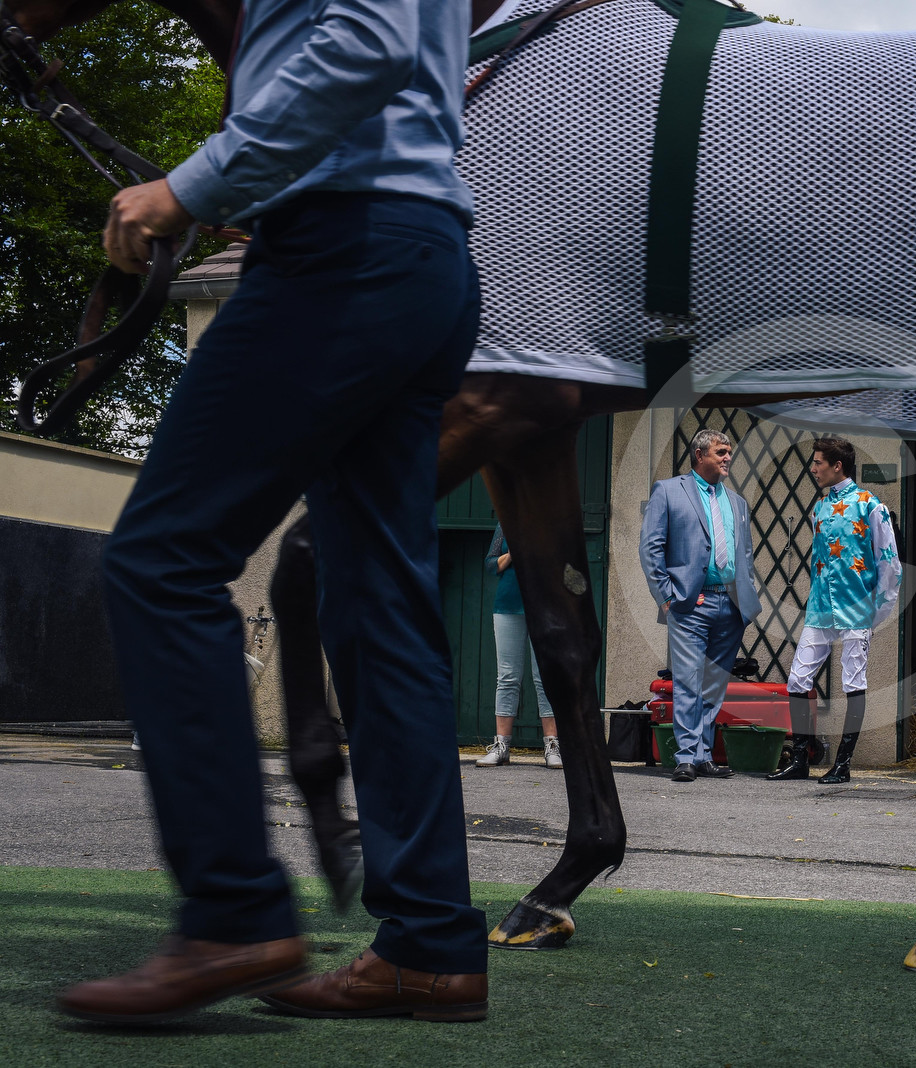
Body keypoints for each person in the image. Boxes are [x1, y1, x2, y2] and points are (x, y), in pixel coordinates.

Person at [57, 2, 488, 1024]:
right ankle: (429, 945)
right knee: (382, 609)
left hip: (338, 254)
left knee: (161, 560)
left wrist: (187, 187)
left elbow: (368, 41)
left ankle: (233, 911)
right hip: (422, 250)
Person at [769, 437, 901, 784]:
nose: (813, 468)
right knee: (798, 679)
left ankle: (842, 764)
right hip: (820, 607)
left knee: (853, 681)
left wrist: (878, 611)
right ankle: (800, 760)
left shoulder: (870, 505)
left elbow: (889, 561)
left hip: (857, 607)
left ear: (837, 465)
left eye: (818, 463)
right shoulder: (820, 508)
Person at [639, 429, 762, 782]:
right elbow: (651, 547)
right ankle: (685, 757)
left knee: (714, 684)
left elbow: (745, 554)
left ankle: (704, 754)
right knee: (689, 680)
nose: (728, 458)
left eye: (729, 452)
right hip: (690, 603)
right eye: (721, 452)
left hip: (731, 605)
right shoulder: (668, 490)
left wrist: (746, 592)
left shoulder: (737, 502)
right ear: (699, 454)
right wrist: (666, 597)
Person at [477, 524, 561, 768]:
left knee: (545, 676)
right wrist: (512, 554)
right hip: (507, 606)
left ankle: (552, 745)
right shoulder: (506, 524)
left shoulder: (554, 521)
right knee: (507, 676)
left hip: (545, 608)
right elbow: (491, 564)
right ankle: (501, 745)